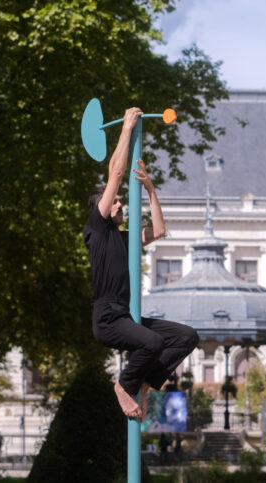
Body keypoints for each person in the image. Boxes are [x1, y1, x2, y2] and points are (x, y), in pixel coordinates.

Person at [83, 107, 199, 420]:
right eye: (116, 201)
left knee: (186, 337)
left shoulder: (123, 239)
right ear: (103, 209)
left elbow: (159, 231)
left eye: (121, 200)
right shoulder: (97, 229)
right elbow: (116, 174)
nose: (120, 203)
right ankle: (123, 385)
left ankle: (145, 382)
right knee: (153, 342)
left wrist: (150, 190)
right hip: (108, 318)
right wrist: (127, 128)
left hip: (127, 315)